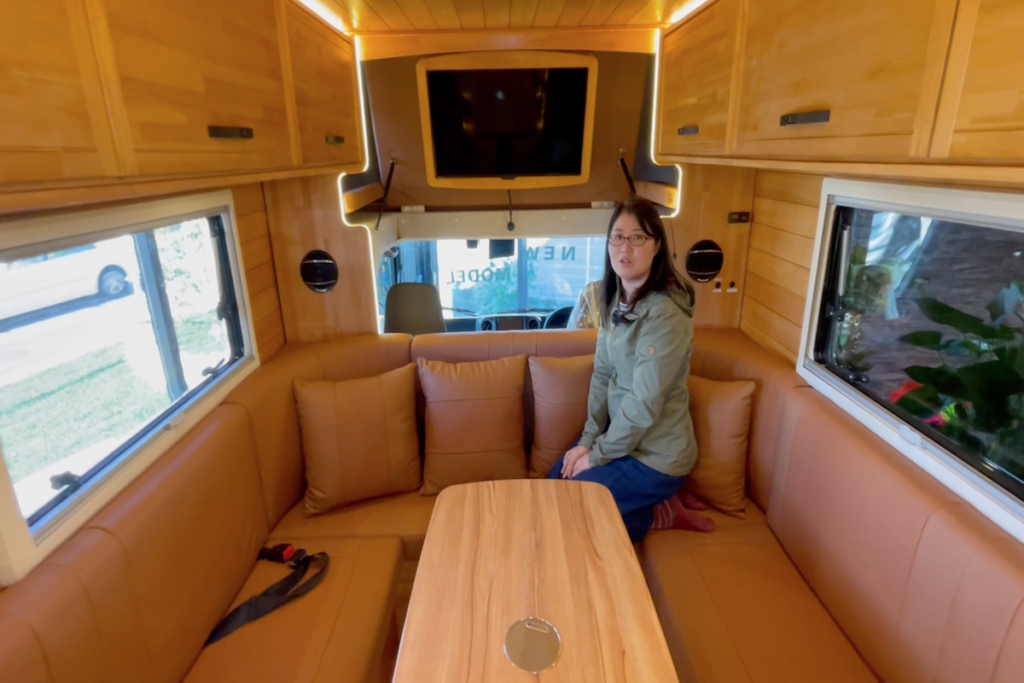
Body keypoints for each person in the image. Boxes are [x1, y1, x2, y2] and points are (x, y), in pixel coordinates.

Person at [548, 197, 713, 542]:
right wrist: (588, 439)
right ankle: (654, 504)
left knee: (569, 508)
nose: (625, 247)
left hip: (657, 457)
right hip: (622, 444)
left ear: (657, 246)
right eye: (618, 237)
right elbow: (602, 375)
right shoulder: (615, 302)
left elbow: (643, 403)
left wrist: (597, 455)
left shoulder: (666, 316)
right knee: (555, 480)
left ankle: (658, 510)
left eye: (638, 237)